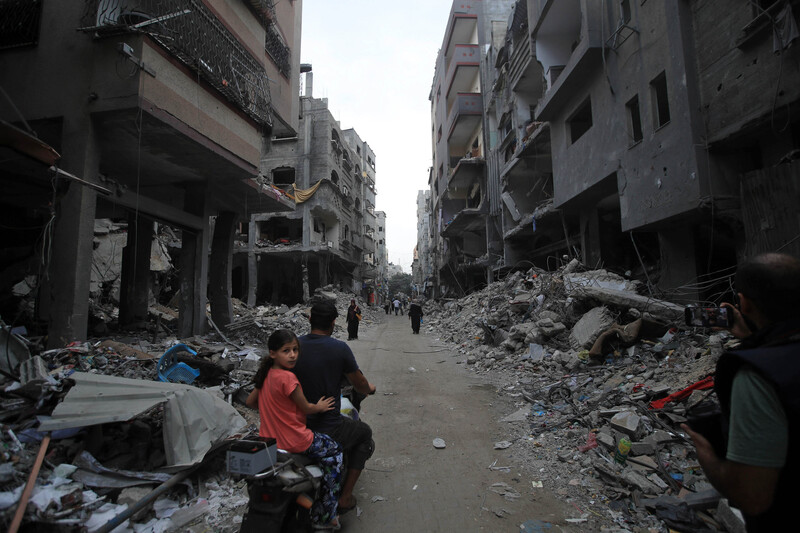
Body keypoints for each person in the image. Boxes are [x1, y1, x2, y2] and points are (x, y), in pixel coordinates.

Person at [681, 253, 800, 532]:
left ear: (743, 302)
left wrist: (707, 454)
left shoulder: (757, 376)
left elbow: (751, 496)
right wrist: (754, 336)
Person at [246, 329, 343, 529]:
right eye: (286, 351)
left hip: (269, 441)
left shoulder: (265, 374)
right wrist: (321, 406)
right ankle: (325, 515)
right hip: (295, 440)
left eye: (295, 350)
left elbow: (250, 401)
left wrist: (272, 409)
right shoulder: (288, 378)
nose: (292, 355)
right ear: (273, 353)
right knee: (335, 454)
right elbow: (306, 407)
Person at [294, 301, 377, 514]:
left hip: (295, 426)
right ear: (333, 323)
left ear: (310, 319)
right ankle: (345, 497)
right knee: (364, 433)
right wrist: (369, 388)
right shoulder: (339, 349)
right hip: (327, 427)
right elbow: (359, 384)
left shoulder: (293, 348)